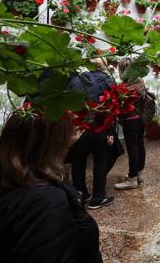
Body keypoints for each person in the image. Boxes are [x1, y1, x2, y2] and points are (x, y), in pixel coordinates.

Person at [0, 112, 103, 262]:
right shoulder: (45, 202)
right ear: (53, 143)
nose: (76, 135)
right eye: (70, 132)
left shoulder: (11, 180)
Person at [67, 58, 116, 209]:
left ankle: (81, 194)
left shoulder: (76, 81)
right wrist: (110, 132)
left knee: (78, 160)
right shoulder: (107, 80)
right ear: (103, 66)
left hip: (79, 127)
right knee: (100, 160)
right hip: (98, 126)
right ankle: (97, 198)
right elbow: (113, 106)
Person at [113, 57, 149, 190]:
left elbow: (119, 106)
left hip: (130, 121)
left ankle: (132, 178)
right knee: (140, 145)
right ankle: (139, 174)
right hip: (141, 118)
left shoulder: (123, 87)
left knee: (132, 148)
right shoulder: (140, 81)